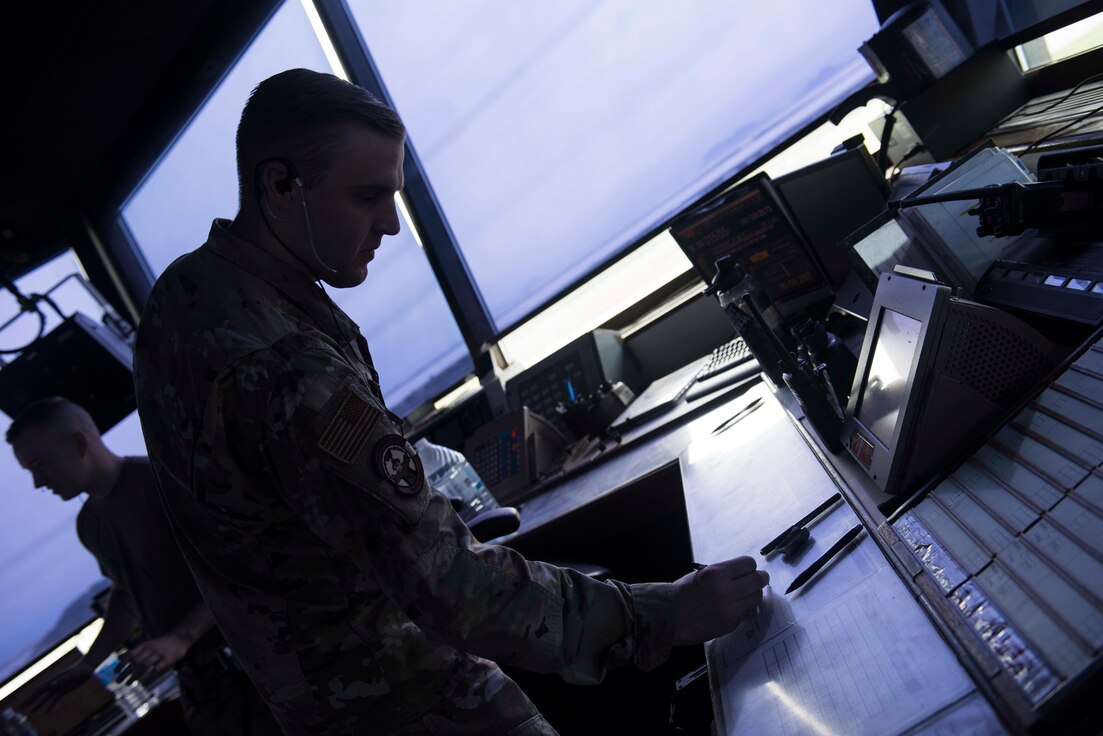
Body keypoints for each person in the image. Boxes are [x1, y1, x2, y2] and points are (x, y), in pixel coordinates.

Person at [132, 67, 770, 735]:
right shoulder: (292, 369)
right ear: (279, 185)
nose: (390, 224)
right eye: (366, 196)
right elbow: (452, 587)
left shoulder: (184, 301)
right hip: (408, 697)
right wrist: (661, 614)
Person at [7, 397, 279, 735]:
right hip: (202, 684)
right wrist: (88, 664)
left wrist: (180, 637)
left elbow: (240, 567)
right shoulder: (89, 525)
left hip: (253, 664)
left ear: (79, 443)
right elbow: (127, 594)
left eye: (39, 464)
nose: (37, 482)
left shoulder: (159, 482)